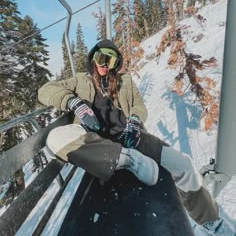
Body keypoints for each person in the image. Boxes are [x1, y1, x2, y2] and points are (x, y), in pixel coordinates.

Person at [38, 39, 235, 236]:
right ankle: (128, 160)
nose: (105, 66)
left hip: (133, 139)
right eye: (101, 59)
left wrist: (134, 122)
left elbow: (139, 106)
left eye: (112, 61)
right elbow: (45, 90)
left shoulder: (125, 82)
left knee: (184, 167)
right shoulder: (80, 81)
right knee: (55, 137)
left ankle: (212, 221)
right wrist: (75, 103)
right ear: (93, 59)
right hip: (97, 144)